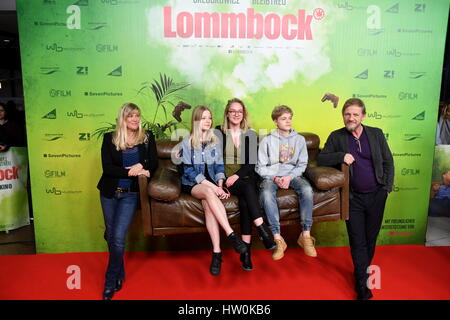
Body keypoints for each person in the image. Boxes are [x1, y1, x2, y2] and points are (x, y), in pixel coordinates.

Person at [317, 98, 394, 300]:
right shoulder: (337, 137)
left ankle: (362, 271)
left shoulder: (375, 134)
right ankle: (362, 284)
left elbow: (388, 161)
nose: (350, 118)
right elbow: (321, 158)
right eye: (347, 114)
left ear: (363, 116)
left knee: (370, 239)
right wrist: (341, 155)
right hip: (352, 198)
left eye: (355, 114)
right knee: (357, 241)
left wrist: (386, 188)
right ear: (343, 115)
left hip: (377, 195)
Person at [97, 102, 158, 300]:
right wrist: (131, 171)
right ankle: (120, 272)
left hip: (130, 195)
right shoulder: (110, 138)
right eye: (130, 116)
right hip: (108, 193)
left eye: (137, 116)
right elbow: (107, 168)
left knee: (117, 237)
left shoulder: (147, 138)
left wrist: (142, 164)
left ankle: (109, 280)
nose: (135, 119)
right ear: (123, 118)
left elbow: (154, 162)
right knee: (112, 236)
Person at [180, 105, 248, 276]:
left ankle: (217, 253)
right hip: (192, 184)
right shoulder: (186, 142)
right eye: (203, 118)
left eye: (209, 117)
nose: (208, 121)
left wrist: (219, 185)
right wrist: (214, 189)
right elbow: (188, 171)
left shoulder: (214, 141)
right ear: (196, 120)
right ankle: (231, 234)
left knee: (208, 205)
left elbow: (219, 166)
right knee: (209, 193)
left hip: (211, 185)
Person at [216, 98, 276, 271]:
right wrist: (229, 178)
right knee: (247, 189)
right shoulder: (218, 133)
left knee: (245, 203)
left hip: (244, 177)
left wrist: (237, 175)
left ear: (243, 115)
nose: (236, 114)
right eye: (232, 111)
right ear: (227, 113)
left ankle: (246, 254)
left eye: (239, 111)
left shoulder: (249, 134)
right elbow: (214, 160)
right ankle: (262, 230)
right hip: (226, 179)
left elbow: (251, 164)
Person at [255, 105, 317, 261]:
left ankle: (306, 236)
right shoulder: (267, 141)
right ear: (275, 121)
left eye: (290, 118)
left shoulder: (300, 140)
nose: (288, 121)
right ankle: (278, 239)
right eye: (283, 118)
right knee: (267, 193)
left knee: (307, 190)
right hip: (271, 176)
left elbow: (302, 164)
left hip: (293, 175)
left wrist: (289, 177)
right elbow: (260, 167)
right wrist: (276, 178)